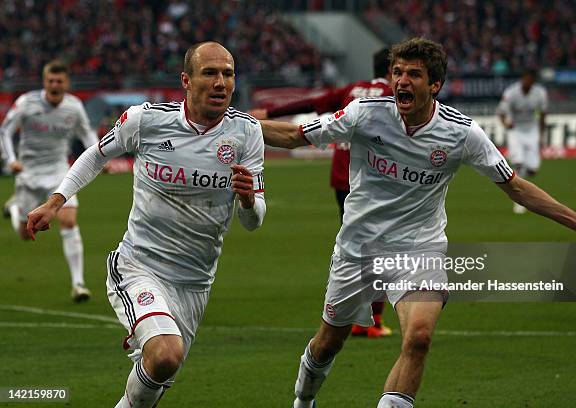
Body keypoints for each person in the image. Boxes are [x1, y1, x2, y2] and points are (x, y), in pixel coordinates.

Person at [259, 37, 576, 408]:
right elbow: (296, 137)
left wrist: (575, 222)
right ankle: (303, 400)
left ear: (434, 85)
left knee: (418, 338)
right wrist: (237, 126)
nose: (401, 82)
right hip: (357, 247)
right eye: (397, 73)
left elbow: (515, 187)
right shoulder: (365, 112)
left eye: (413, 74)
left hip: (418, 248)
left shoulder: (462, 133)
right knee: (329, 341)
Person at [27, 42, 266, 408]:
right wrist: (56, 201)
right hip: (140, 265)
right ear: (186, 80)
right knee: (167, 353)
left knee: (157, 374)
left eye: (228, 74)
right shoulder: (147, 120)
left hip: (195, 282)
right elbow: (96, 154)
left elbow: (252, 222)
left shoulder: (246, 133)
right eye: (210, 73)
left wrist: (249, 200)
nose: (221, 83)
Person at [250, 48, 393, 338]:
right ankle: (371, 320)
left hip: (342, 177)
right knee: (380, 250)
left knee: (354, 246)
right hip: (373, 178)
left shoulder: (352, 90)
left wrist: (269, 112)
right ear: (394, 68)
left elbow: (315, 103)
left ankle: (354, 314)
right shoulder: (394, 94)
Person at [0, 60, 98, 302]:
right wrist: (10, 160)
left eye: (59, 81)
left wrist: (99, 155)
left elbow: (86, 133)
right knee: (25, 233)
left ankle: (78, 284)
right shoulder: (27, 103)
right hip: (29, 173)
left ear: (66, 84)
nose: (55, 85)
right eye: (51, 81)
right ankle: (14, 208)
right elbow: (5, 131)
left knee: (68, 219)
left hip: (58, 172)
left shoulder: (74, 107)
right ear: (45, 82)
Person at [497, 68, 548, 214]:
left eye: (530, 80)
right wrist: (506, 124)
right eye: (525, 79)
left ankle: (519, 185)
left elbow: (543, 114)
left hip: (532, 131)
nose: (527, 82)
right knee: (519, 163)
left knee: (532, 169)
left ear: (533, 81)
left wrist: (542, 136)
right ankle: (519, 200)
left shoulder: (540, 93)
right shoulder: (511, 92)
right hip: (516, 130)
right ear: (522, 79)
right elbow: (501, 112)